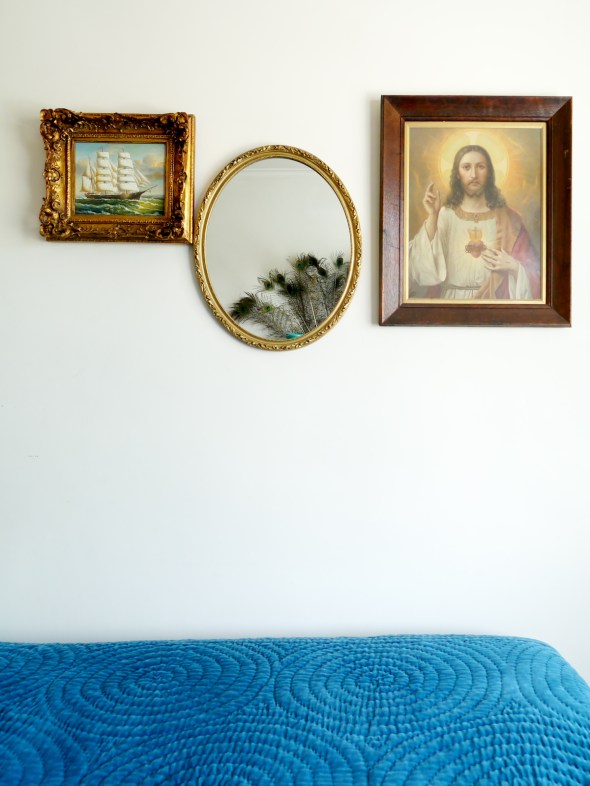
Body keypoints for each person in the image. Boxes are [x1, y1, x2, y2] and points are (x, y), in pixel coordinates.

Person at [408, 145, 540, 300]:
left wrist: (515, 266)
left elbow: (536, 271)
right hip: (451, 303)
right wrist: (432, 215)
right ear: (457, 174)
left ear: (489, 172)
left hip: (493, 303)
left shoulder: (509, 219)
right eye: (466, 167)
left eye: (480, 167)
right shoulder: (446, 214)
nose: (474, 175)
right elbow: (420, 264)